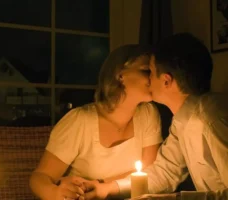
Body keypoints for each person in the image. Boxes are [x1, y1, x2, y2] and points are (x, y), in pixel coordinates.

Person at [85, 33, 228, 199]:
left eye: (150, 72)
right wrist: (108, 188)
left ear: (166, 81)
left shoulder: (212, 117)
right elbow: (165, 172)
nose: (148, 79)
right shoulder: (182, 121)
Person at [29, 44, 163, 200]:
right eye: (146, 71)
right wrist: (54, 193)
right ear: (120, 74)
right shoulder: (80, 121)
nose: (154, 77)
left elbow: (149, 171)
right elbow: (40, 177)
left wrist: (101, 185)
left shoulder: (148, 114)